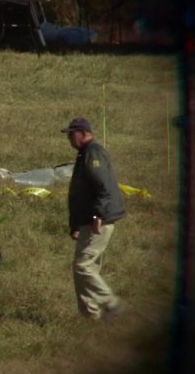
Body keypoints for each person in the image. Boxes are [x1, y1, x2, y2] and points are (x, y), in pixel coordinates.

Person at [61, 117, 127, 321]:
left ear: (82, 133)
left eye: (71, 134)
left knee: (84, 267)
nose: (69, 139)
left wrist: (97, 215)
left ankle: (111, 303)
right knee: (82, 269)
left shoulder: (93, 153)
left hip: (99, 221)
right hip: (88, 221)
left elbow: (103, 187)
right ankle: (91, 316)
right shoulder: (85, 153)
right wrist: (76, 224)